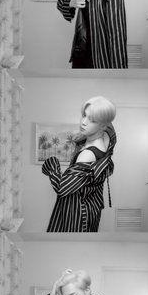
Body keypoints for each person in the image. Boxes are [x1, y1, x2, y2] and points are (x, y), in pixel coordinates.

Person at [43, 96, 116, 232]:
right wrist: (84, 136)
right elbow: (110, 128)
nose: (83, 122)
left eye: (92, 120)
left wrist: (52, 166)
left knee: (70, 242)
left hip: (78, 213)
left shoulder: (87, 155)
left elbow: (62, 188)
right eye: (84, 115)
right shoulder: (107, 138)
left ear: (103, 125)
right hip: (92, 206)